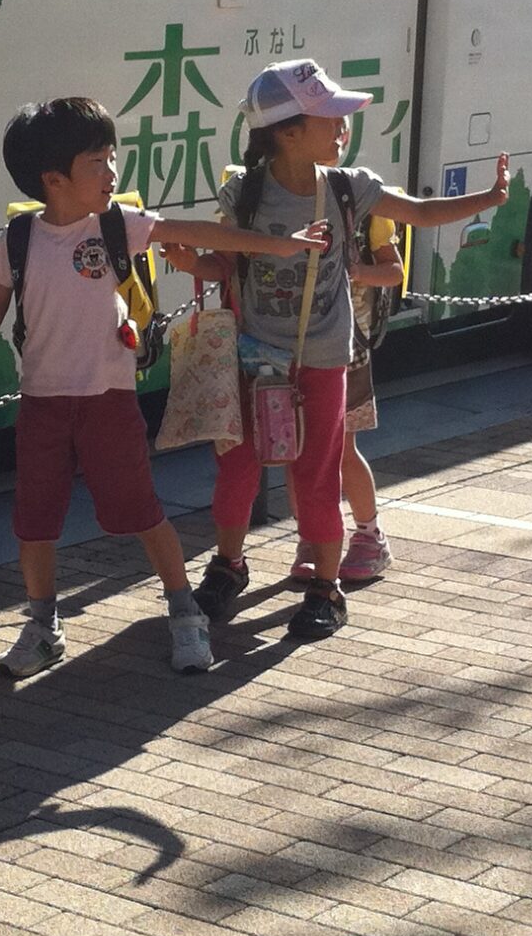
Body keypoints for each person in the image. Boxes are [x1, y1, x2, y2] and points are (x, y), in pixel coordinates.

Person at [0, 98, 329, 680]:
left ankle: (185, 613)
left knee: (141, 511)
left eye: (112, 157)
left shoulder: (119, 224)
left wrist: (280, 244)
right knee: (34, 521)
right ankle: (42, 626)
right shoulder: (18, 237)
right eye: (97, 161)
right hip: (42, 403)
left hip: (109, 400)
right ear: (53, 179)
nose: (113, 172)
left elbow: (194, 231)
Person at [197, 60, 507, 642]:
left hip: (322, 358)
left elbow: (418, 213)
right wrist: (190, 259)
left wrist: (490, 197)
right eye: (331, 117)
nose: (344, 127)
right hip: (254, 356)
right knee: (236, 466)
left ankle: (325, 588)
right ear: (289, 132)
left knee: (317, 470)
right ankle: (229, 565)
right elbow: (224, 263)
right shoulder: (244, 193)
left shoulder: (348, 186)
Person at [336, 214, 407, 587]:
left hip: (348, 349)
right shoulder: (277, 197)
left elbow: (394, 271)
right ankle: (311, 539)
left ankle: (370, 536)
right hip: (292, 348)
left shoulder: (363, 206)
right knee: (297, 451)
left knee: (342, 448)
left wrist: (359, 272)